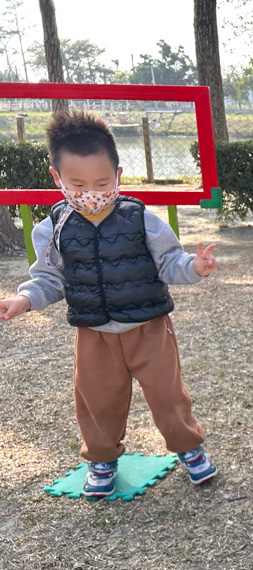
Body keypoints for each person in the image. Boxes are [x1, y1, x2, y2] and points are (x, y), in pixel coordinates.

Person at [0, 111, 219, 498]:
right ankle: (101, 459)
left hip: (149, 328)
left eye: (102, 182)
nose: (91, 192)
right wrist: (24, 299)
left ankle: (189, 448)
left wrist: (194, 267)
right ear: (57, 178)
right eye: (77, 184)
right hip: (94, 333)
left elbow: (170, 262)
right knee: (97, 401)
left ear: (118, 175)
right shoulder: (51, 229)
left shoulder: (142, 219)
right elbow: (50, 280)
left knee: (168, 395)